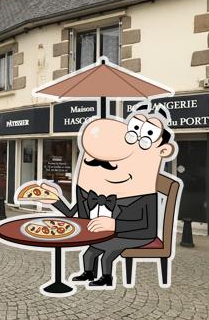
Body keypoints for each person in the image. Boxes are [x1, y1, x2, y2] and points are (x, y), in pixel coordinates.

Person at [36, 103, 178, 289]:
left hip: (137, 235)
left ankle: (107, 277)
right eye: (96, 162)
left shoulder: (144, 196)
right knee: (89, 253)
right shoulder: (89, 193)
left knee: (108, 250)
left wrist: (114, 224)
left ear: (163, 152)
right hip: (108, 231)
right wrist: (54, 200)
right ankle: (88, 273)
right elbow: (72, 214)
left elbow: (148, 226)